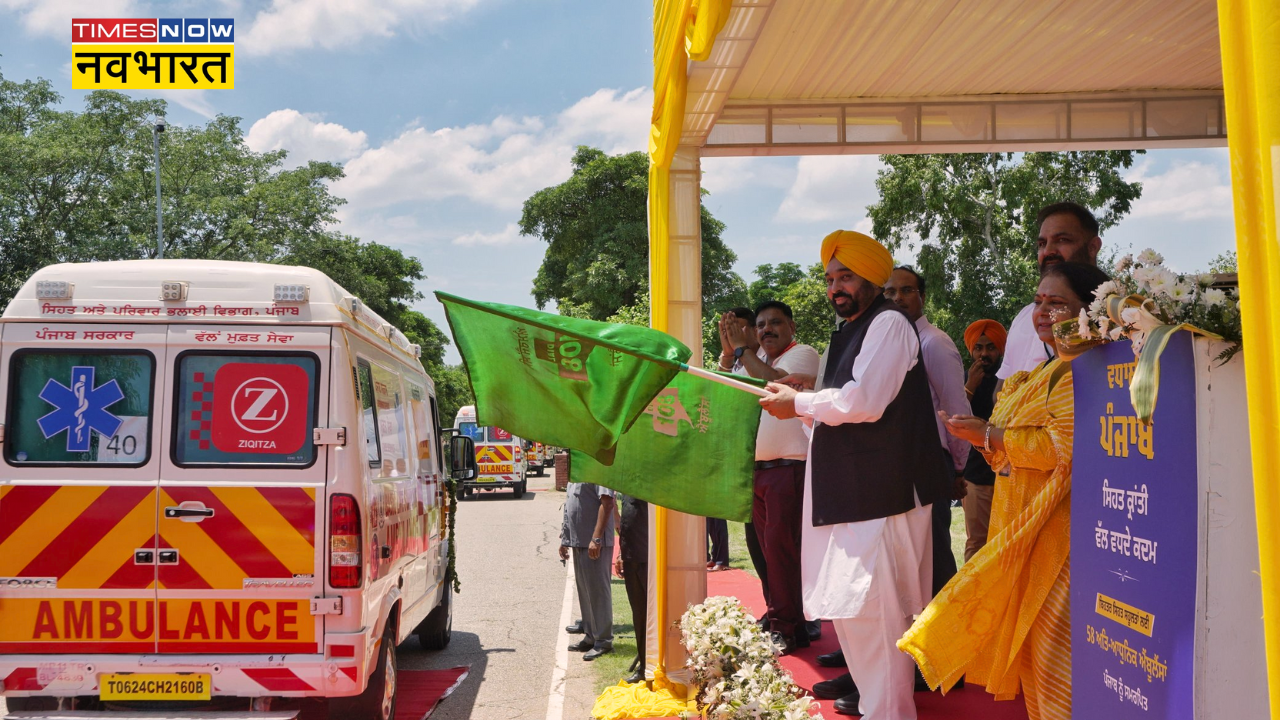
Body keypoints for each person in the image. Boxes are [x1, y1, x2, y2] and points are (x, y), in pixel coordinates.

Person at [898, 261, 1112, 720]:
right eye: (1038, 302)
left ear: (1090, 309)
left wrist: (989, 437)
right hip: (1021, 523)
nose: (1042, 312)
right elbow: (1011, 451)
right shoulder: (1046, 370)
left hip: (1058, 537)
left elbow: (1065, 450)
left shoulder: (1088, 370)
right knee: (1031, 653)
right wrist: (987, 438)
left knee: (1056, 656)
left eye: (1057, 304)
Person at [760, 230, 951, 720]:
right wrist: (802, 405)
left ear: (872, 278)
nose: (835, 288)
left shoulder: (888, 324)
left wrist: (799, 402)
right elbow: (845, 407)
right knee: (854, 616)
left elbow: (864, 402)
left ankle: (890, 713)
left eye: (845, 277)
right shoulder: (851, 329)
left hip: (883, 499)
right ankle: (878, 709)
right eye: (830, 279)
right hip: (854, 497)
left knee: (879, 618)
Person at [723, 300, 821, 654]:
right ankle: (785, 618)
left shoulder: (802, 354)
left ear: (792, 327)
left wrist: (742, 350)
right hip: (760, 472)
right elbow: (730, 391)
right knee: (767, 554)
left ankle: (787, 627)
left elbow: (777, 385)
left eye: (775, 323)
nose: (766, 330)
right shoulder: (758, 360)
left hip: (789, 469)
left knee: (782, 553)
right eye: (760, 325)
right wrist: (731, 355)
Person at [884, 266, 969, 593]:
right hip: (894, 465)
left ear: (922, 297)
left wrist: (958, 469)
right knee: (899, 560)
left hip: (931, 463)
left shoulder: (933, 343)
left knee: (932, 559)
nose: (898, 298)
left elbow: (956, 408)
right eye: (890, 292)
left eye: (906, 291)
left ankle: (943, 640)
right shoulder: (889, 342)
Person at [997, 202, 1102, 381]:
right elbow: (1001, 392)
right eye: (1042, 243)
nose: (1048, 251)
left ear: (1092, 246)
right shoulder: (1026, 315)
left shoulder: (1113, 318)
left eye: (1062, 240)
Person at [960, 319, 1007, 560]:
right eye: (979, 348)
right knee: (977, 543)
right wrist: (969, 386)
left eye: (990, 347)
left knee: (1003, 545)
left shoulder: (1011, 378)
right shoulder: (966, 378)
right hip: (976, 477)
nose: (984, 354)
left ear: (1000, 349)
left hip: (1006, 477)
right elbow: (953, 418)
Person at [559, 481, 616, 661]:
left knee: (598, 592)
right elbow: (571, 505)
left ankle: (603, 640)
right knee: (585, 591)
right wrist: (565, 539)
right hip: (579, 540)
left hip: (594, 541)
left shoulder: (598, 470)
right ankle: (591, 636)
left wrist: (597, 538)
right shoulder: (577, 472)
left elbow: (607, 503)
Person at [615, 493, 648, 683]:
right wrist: (621, 552)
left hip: (648, 558)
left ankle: (653, 665)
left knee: (651, 615)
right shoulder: (628, 485)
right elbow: (628, 522)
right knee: (639, 615)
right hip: (631, 555)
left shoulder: (650, 483)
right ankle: (643, 666)